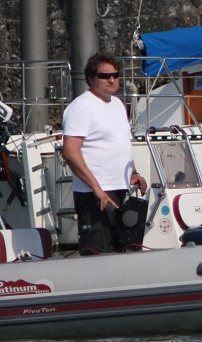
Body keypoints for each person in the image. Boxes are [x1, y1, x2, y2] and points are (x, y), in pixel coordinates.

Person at [62, 53, 147, 255]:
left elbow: (121, 144)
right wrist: (97, 189)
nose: (111, 80)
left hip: (120, 190)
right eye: (104, 76)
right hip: (94, 195)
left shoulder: (118, 104)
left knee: (126, 249)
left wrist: (134, 173)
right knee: (97, 252)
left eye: (115, 75)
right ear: (91, 78)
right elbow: (70, 152)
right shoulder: (81, 107)